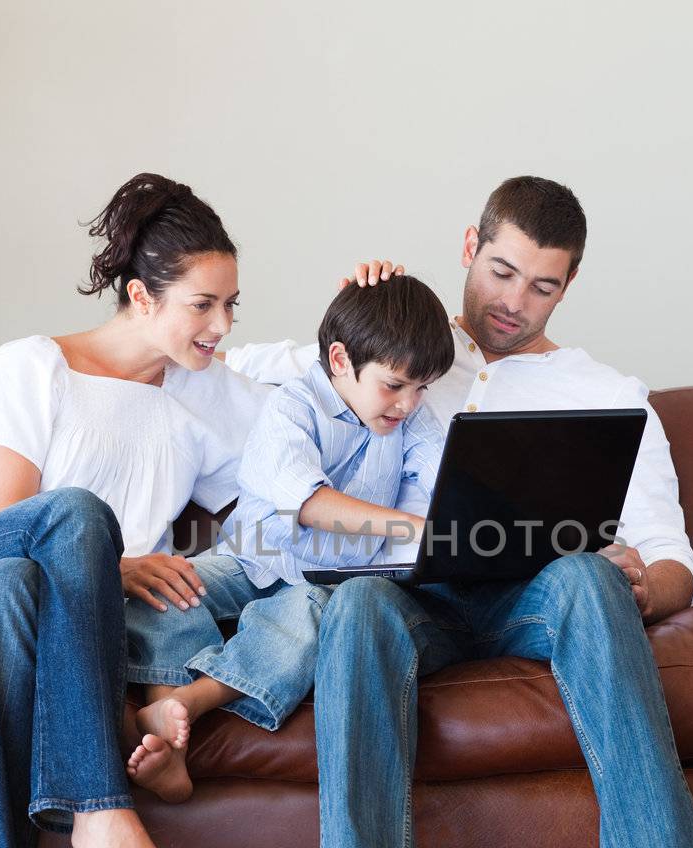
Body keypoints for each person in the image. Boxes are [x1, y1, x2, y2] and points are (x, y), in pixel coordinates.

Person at [225, 176, 693, 848]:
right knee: (354, 604)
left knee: (590, 581)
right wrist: (356, 304)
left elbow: (675, 560)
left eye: (542, 286)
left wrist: (645, 586)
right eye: (500, 271)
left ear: (568, 287)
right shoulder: (410, 351)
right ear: (470, 246)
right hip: (411, 599)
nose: (513, 302)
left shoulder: (608, 394)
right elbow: (228, 366)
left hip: (537, 600)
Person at [0, 173, 270, 848]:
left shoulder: (212, 393)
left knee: (15, 595)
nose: (222, 324)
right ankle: (98, 800)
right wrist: (115, 559)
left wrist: (388, 306)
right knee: (71, 518)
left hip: (26, 599)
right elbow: (8, 521)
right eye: (203, 304)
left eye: (233, 304)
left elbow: (307, 422)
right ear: (141, 295)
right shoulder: (38, 364)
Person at [120, 274, 454, 804]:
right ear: (341, 360)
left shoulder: (410, 419)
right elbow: (311, 503)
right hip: (250, 560)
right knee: (162, 585)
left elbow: (446, 484)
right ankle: (166, 721)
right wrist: (414, 528)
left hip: (322, 586)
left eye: (422, 388)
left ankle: (190, 701)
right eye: (394, 385)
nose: (408, 404)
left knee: (306, 619)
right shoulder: (293, 406)